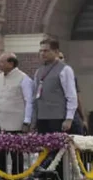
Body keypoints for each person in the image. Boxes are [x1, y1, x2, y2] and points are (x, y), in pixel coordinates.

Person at [31, 38, 78, 179]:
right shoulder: (39, 71)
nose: (42, 54)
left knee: (58, 154)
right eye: (40, 51)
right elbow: (35, 99)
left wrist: (69, 118)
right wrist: (34, 120)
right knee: (44, 153)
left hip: (57, 118)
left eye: (46, 50)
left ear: (56, 52)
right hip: (42, 118)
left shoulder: (65, 69)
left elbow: (71, 96)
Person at [0, 52, 33, 175]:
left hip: (15, 125)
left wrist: (27, 121)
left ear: (11, 63)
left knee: (16, 158)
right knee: (0, 157)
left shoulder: (24, 78)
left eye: (2, 62)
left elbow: (29, 101)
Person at [58, 52, 86, 134]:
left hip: (72, 115)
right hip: (57, 116)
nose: (60, 60)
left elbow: (77, 98)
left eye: (61, 57)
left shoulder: (70, 75)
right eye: (58, 58)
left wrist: (83, 118)